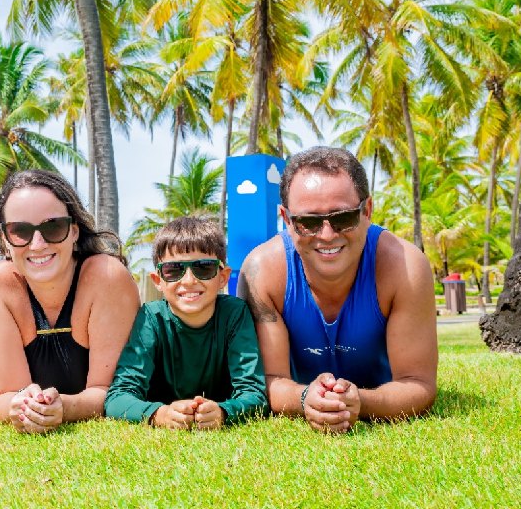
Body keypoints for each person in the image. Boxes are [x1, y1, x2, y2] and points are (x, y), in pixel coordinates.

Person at [237, 146, 437, 433]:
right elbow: (268, 379)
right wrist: (305, 398)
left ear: (366, 211)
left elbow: (418, 383)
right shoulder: (261, 271)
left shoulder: (404, 267)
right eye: (308, 222)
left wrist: (361, 402)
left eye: (343, 218)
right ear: (287, 219)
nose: (327, 235)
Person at [0, 170, 141, 433]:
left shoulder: (106, 276)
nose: (38, 244)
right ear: (5, 240)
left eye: (53, 227)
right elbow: (2, 397)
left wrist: (63, 407)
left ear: (74, 231)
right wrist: (20, 406)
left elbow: (113, 393)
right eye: (20, 231)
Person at [105, 217, 266, 430]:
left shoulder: (234, 313)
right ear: (158, 280)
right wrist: (158, 414)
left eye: (204, 268)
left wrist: (224, 411)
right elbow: (117, 398)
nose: (189, 280)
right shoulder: (151, 318)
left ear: (223, 277)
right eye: (173, 270)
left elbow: (254, 393)